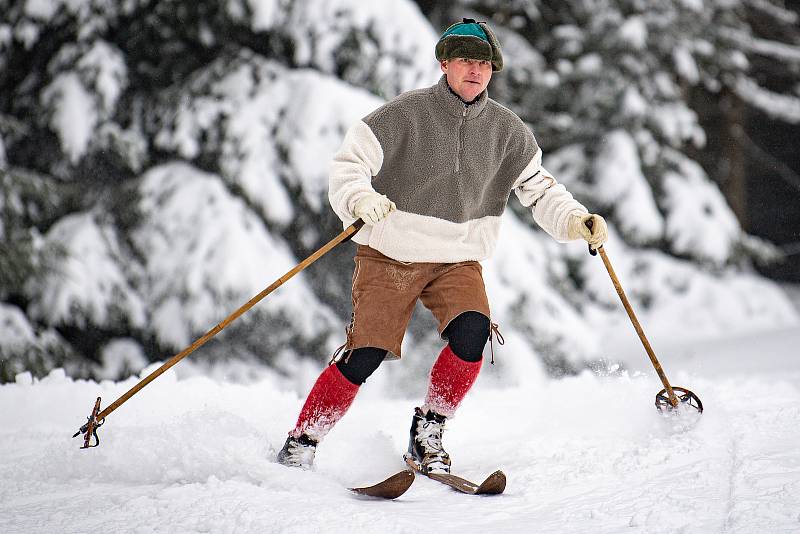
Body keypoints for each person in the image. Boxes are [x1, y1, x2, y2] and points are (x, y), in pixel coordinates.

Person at [277, 18, 608, 473]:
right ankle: (303, 439)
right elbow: (348, 165)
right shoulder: (405, 113)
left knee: (473, 332)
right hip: (391, 252)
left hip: (456, 257)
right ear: (445, 64)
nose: (476, 70)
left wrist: (575, 219)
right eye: (466, 60)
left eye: (485, 63)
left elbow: (540, 188)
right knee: (366, 354)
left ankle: (428, 430)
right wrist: (361, 198)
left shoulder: (508, 131)